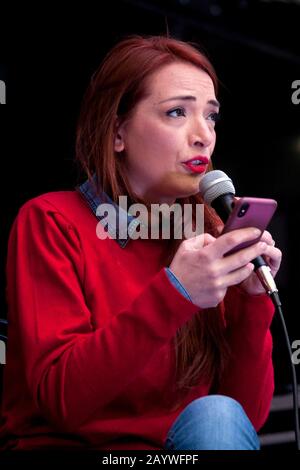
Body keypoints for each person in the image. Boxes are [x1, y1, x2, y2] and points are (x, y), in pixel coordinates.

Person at [0, 35, 282, 451]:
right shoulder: (50, 221)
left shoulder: (206, 238)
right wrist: (175, 293)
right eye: (176, 112)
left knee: (218, 415)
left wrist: (250, 303)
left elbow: (246, 415)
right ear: (118, 132)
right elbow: (63, 400)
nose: (204, 135)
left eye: (212, 117)